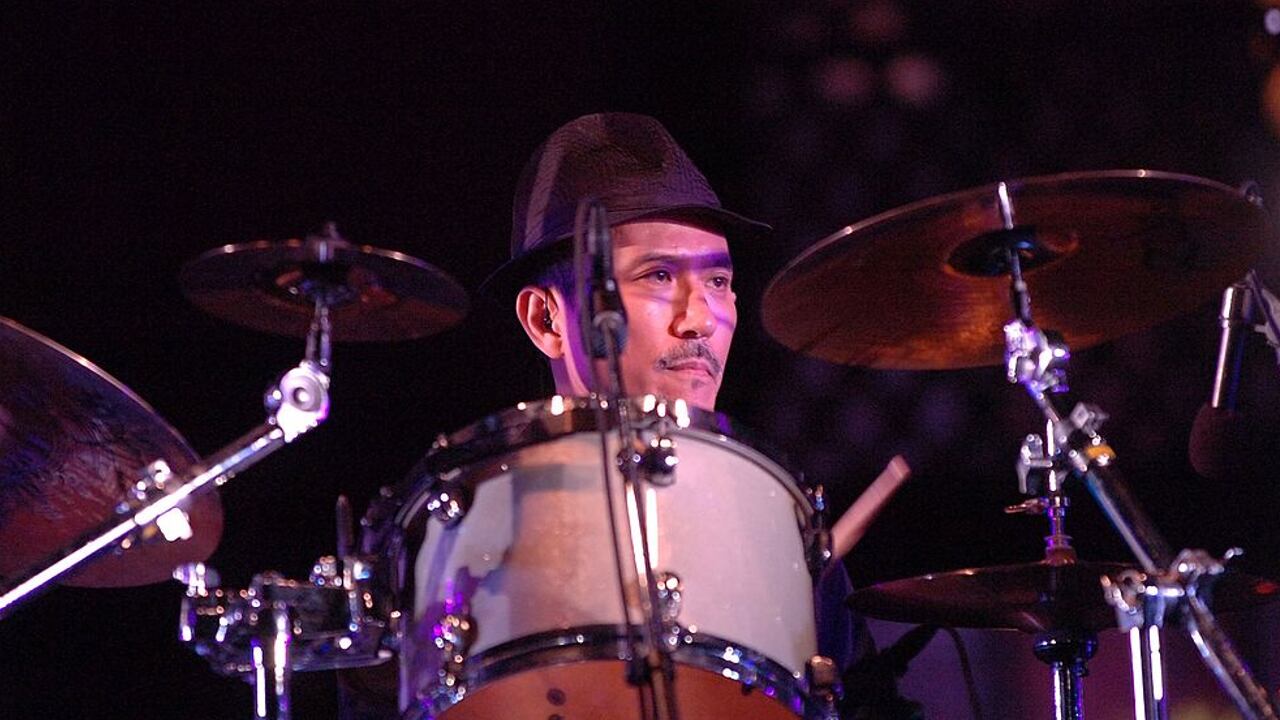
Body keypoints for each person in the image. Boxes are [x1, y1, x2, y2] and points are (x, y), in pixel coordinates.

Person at [485, 112, 902, 718]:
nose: (702, 318)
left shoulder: (776, 528)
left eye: (718, 280)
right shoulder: (474, 530)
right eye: (658, 276)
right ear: (546, 320)